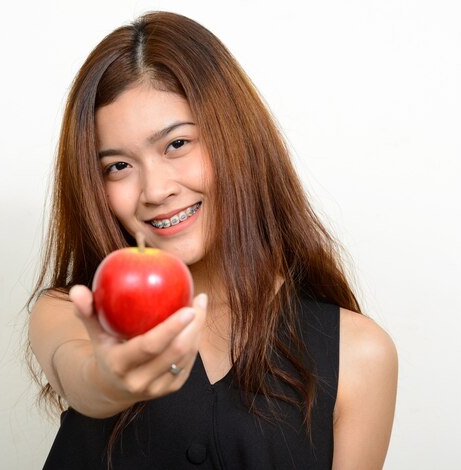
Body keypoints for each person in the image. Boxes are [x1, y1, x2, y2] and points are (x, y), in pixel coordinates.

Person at [28, 10, 397, 470]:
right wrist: (110, 381)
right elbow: (81, 375)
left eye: (177, 144)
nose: (156, 190)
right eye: (118, 166)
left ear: (236, 139)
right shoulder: (72, 311)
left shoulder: (358, 353)